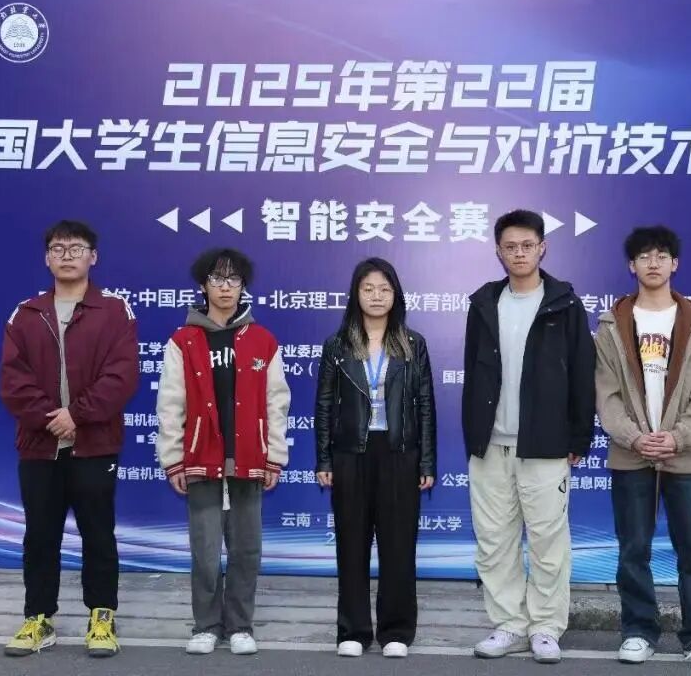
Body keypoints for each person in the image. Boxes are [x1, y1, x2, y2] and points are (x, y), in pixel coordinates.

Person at [462, 209, 596, 664]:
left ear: (542, 248)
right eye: (510, 247)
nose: (519, 253)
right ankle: (509, 625)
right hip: (491, 445)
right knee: (494, 541)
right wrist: (473, 435)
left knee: (547, 543)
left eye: (527, 245)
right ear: (498, 252)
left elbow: (582, 374)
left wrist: (579, 437)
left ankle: (545, 628)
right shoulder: (484, 303)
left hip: (545, 444)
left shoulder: (565, 304)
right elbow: (473, 373)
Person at [0, 220, 138, 658]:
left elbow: (121, 376)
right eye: (58, 248)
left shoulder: (114, 311)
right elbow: (13, 381)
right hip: (39, 446)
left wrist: (76, 415)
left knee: (99, 534)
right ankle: (39, 618)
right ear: (47, 258)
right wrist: (52, 419)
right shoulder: (26, 314)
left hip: (95, 444)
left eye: (76, 248)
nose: (66, 256)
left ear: (93, 257)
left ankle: (102, 616)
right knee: (40, 536)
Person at [595, 225, 691, 668]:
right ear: (631, 266)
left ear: (675, 264)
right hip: (630, 454)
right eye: (644, 256)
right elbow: (607, 394)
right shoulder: (612, 325)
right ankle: (638, 631)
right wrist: (634, 437)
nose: (653, 263)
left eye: (662, 255)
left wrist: (678, 437)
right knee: (633, 548)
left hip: (685, 457)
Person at [156, 248, 290, 656]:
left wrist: (274, 455)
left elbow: (277, 402)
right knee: (205, 550)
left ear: (243, 286)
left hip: (249, 460)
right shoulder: (183, 341)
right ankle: (206, 625)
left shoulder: (263, 340)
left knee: (247, 549)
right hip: (201, 459)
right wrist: (173, 458)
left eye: (234, 279)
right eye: (217, 279)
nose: (226, 287)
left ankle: (240, 626)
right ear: (203, 285)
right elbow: (170, 403)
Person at [314, 257, 437, 659]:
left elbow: (425, 406)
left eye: (385, 289)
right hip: (350, 454)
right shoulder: (337, 345)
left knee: (398, 545)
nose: (377, 296)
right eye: (368, 289)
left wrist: (427, 463)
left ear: (396, 295)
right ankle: (353, 630)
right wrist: (324, 460)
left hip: (400, 453)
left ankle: (396, 630)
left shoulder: (413, 344)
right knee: (351, 544)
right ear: (356, 294)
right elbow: (324, 405)